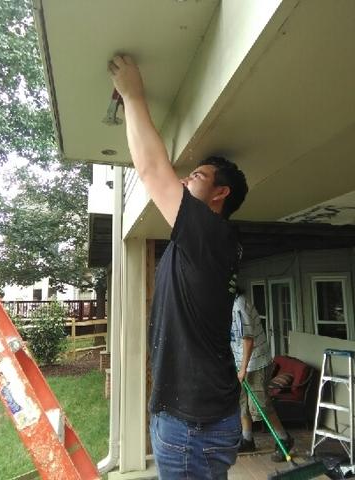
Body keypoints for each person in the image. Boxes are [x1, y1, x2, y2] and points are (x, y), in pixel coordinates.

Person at [108, 55, 248, 479]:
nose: (186, 179)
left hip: (192, 427)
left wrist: (133, 91)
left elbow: (152, 170)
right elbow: (154, 167)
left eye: (199, 175)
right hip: (197, 419)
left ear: (220, 194)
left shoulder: (211, 236)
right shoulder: (203, 243)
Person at [230, 288, 294, 462]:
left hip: (255, 363)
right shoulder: (227, 305)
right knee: (242, 403)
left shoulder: (239, 305)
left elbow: (248, 340)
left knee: (260, 406)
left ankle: (284, 439)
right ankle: (247, 439)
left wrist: (243, 369)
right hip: (240, 363)